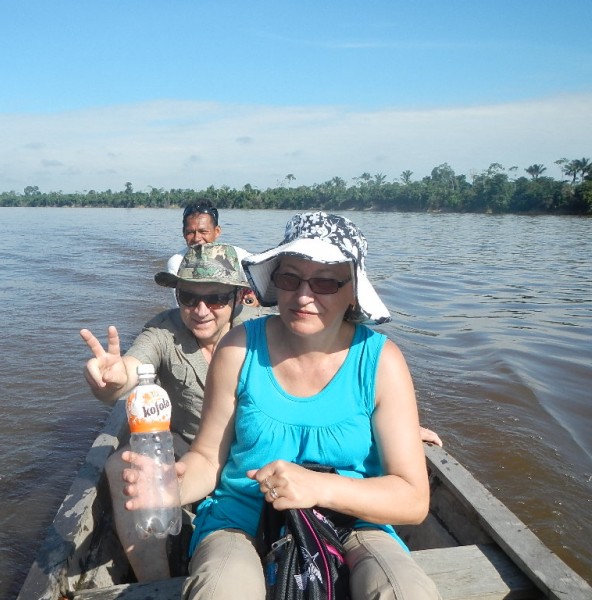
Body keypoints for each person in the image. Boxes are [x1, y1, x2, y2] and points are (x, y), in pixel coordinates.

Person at [125, 212, 441, 599]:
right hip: (240, 519)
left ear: (353, 290)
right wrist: (170, 485)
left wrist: (318, 487)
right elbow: (208, 460)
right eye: (290, 278)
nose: (304, 296)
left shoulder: (381, 362)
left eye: (325, 281)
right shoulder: (238, 349)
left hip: (356, 524)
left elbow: (412, 499)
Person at [80, 243, 261, 581]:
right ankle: (155, 583)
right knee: (122, 466)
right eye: (189, 297)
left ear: (239, 296)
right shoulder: (163, 331)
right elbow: (131, 370)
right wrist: (111, 379)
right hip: (186, 447)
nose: (201, 310)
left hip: (250, 450)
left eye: (217, 298)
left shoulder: (261, 330)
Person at [167, 200, 257, 306]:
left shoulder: (239, 257)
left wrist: (255, 298)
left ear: (217, 231)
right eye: (190, 232)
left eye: (203, 232)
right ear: (183, 233)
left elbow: (263, 289)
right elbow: (181, 306)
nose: (197, 238)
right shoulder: (177, 262)